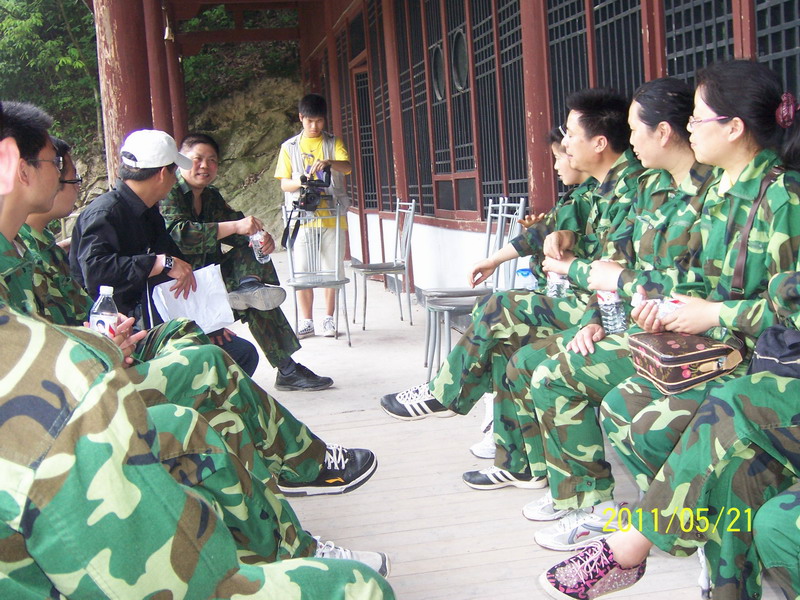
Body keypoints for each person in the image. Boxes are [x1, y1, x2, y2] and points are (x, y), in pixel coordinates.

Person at [0, 101, 394, 600]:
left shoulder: (37, 242)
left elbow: (158, 266)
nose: (64, 180)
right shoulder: (105, 215)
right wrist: (143, 286)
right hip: (87, 389)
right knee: (204, 372)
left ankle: (290, 495)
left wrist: (211, 277)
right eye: (58, 167)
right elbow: (90, 292)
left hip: (114, 346)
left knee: (203, 348)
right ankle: (297, 481)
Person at [540, 59, 800, 599]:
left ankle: (638, 543)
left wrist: (714, 314)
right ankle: (696, 542)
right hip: (715, 349)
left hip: (760, 364)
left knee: (724, 424)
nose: (690, 128)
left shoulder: (784, 198)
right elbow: (699, 279)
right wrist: (672, 308)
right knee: (628, 411)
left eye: (699, 118)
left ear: (734, 127)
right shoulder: (724, 191)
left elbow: (788, 312)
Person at [380, 89, 643, 491]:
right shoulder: (597, 189)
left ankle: (445, 392)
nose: (566, 146)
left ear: (599, 142)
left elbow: (616, 271)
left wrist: (571, 268)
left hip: (612, 315)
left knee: (501, 307)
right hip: (589, 305)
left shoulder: (636, 188)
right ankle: (519, 464)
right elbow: (552, 228)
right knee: (508, 344)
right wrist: (504, 256)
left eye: (571, 135)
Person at [511, 77, 718, 551]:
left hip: (696, 337)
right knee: (546, 368)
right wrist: (594, 319)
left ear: (662, 132)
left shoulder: (714, 193)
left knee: (558, 377)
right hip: (643, 328)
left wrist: (596, 278)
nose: (630, 140)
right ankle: (593, 505)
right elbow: (618, 262)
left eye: (635, 129)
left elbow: (692, 287)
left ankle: (622, 515)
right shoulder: (651, 187)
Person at [69, 128, 259, 375]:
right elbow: (96, 272)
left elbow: (176, 266)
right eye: (174, 171)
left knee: (241, 354)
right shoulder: (105, 213)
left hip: (154, 319)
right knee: (215, 361)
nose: (175, 178)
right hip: (115, 336)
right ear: (162, 174)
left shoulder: (149, 211)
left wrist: (206, 323)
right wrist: (157, 263)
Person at [161, 132, 332, 391]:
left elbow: (241, 230)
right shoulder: (169, 192)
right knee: (255, 296)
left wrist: (261, 238)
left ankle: (286, 366)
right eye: (198, 159)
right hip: (179, 287)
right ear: (182, 161)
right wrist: (235, 227)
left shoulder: (211, 196)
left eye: (212, 160)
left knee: (257, 290)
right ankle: (251, 294)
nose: (205, 166)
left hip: (208, 281)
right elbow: (180, 235)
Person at [274, 93, 352, 339]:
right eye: (310, 121)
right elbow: (284, 184)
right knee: (303, 272)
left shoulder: (333, 142)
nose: (314, 126)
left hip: (332, 216)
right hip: (302, 218)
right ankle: (306, 321)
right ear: (301, 118)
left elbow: (347, 167)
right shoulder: (289, 147)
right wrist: (300, 181)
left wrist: (329, 162)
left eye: (319, 121)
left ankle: (329, 319)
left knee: (333, 271)